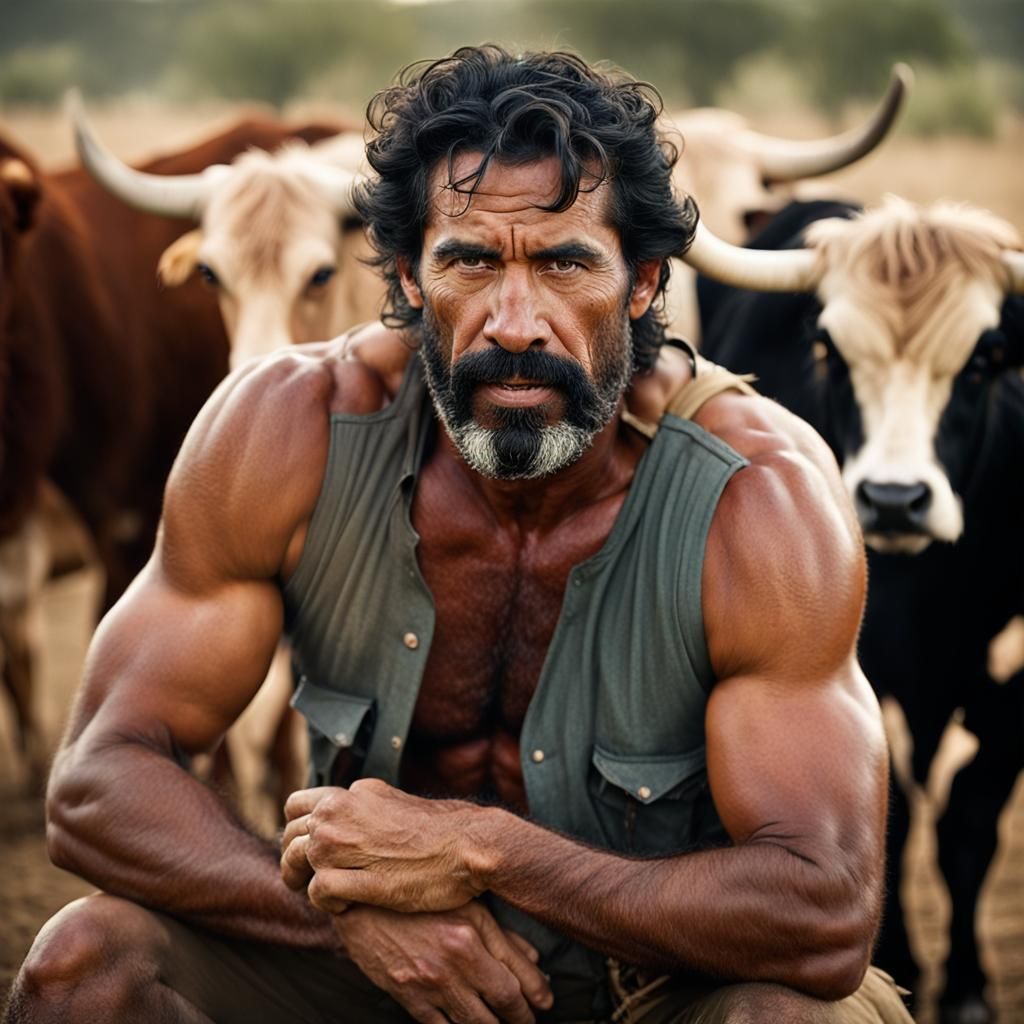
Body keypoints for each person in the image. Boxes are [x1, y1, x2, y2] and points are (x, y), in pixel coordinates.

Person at [5, 46, 911, 1024]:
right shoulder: (283, 431)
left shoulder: (757, 494)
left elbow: (823, 910)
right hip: (361, 962)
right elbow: (97, 783)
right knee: (86, 966)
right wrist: (347, 917)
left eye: (565, 261)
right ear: (406, 274)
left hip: (657, 982)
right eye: (470, 260)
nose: (514, 321)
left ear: (644, 283)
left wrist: (486, 850)